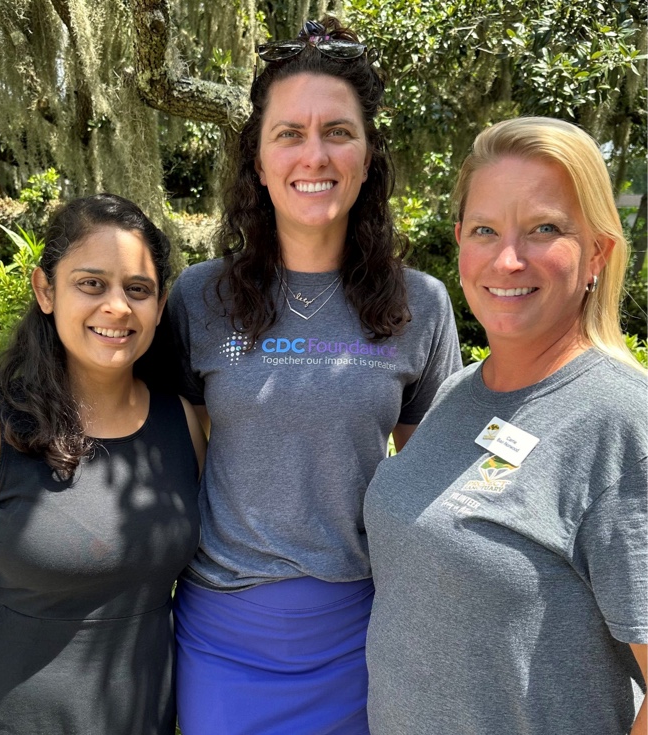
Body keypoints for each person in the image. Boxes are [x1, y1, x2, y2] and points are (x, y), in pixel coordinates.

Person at [165, 16, 462, 735]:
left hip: (361, 636)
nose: (314, 154)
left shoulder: (418, 305)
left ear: (366, 156)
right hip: (221, 636)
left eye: (337, 131)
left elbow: (430, 488)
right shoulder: (197, 298)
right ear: (259, 161)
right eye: (288, 134)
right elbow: (173, 464)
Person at [365, 117, 647, 735]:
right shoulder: (458, 392)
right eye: (486, 230)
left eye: (544, 229)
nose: (508, 258)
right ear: (461, 239)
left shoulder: (622, 422)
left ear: (597, 253)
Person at [0, 194, 205, 734]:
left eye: (137, 289)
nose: (117, 306)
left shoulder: (182, 424)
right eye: (91, 283)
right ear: (45, 290)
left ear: (160, 307)